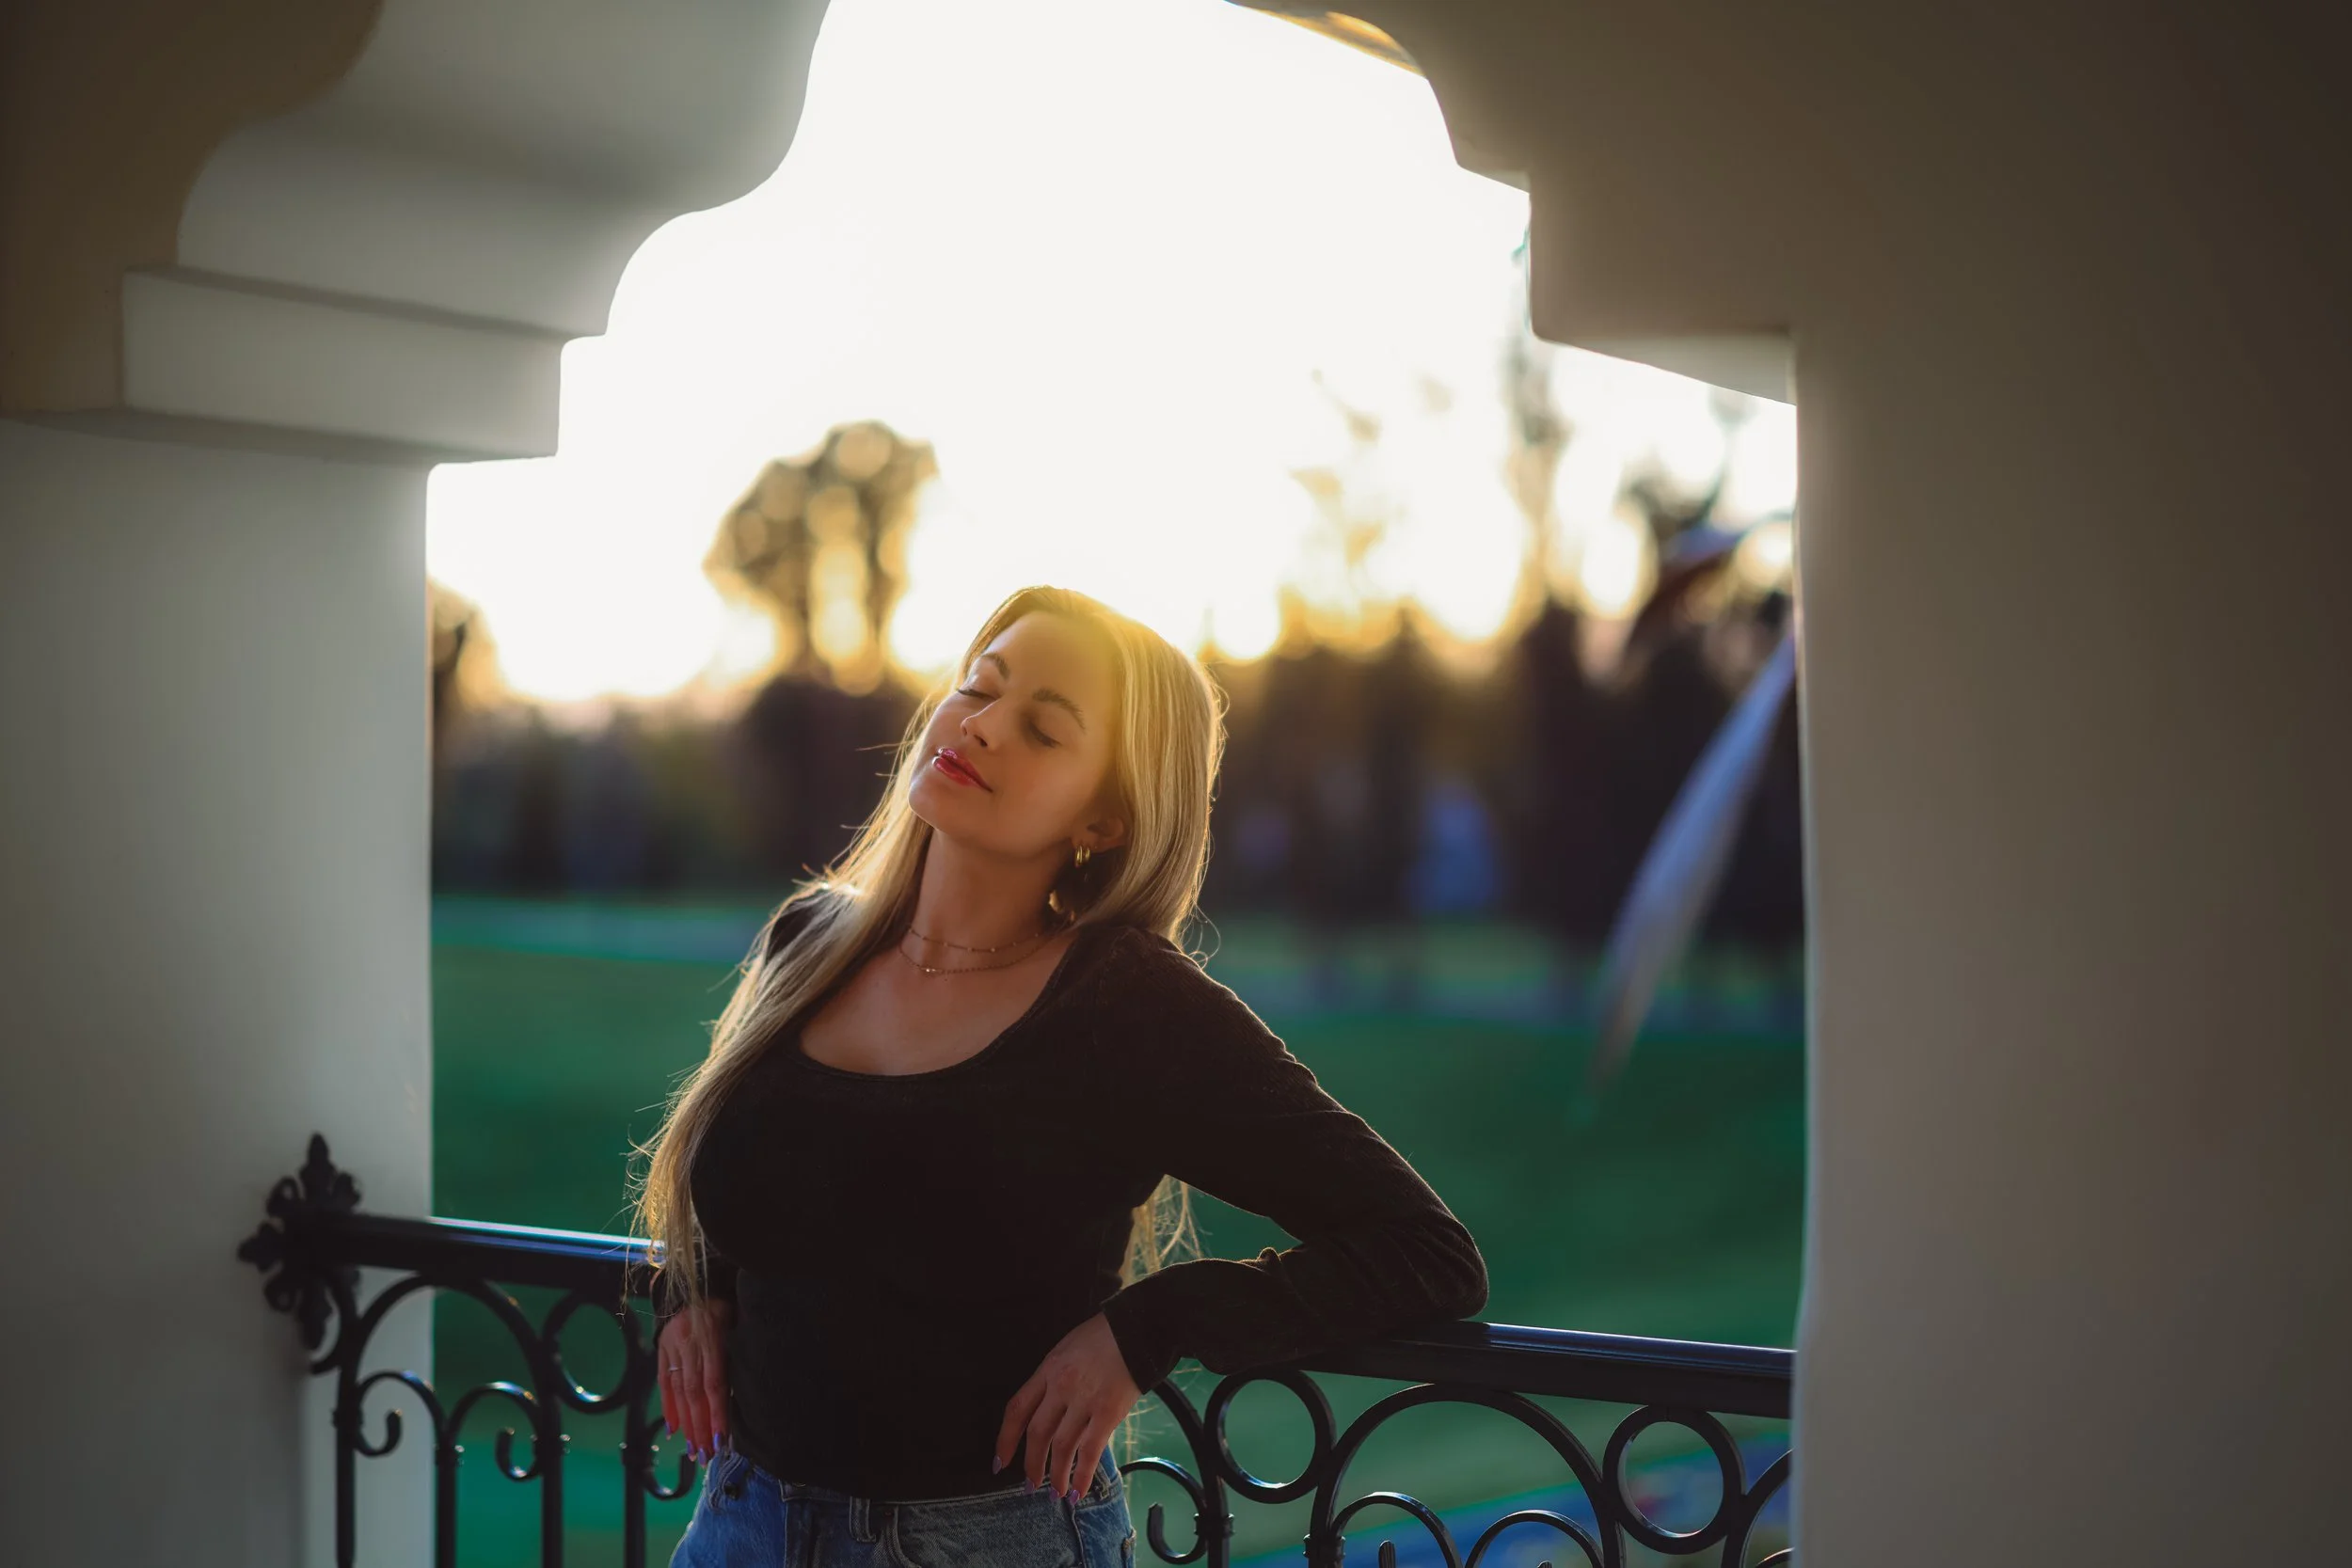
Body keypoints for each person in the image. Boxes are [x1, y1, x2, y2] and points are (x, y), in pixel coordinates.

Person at [629, 585, 1490, 1568]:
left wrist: (1148, 1325)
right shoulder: (808, 941)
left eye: (1042, 729)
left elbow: (1426, 1251)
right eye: (977, 687)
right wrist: (688, 1287)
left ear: (1107, 818)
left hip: (987, 1541)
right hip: (742, 1521)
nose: (982, 725)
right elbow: (758, 1181)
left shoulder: (1128, 1006)